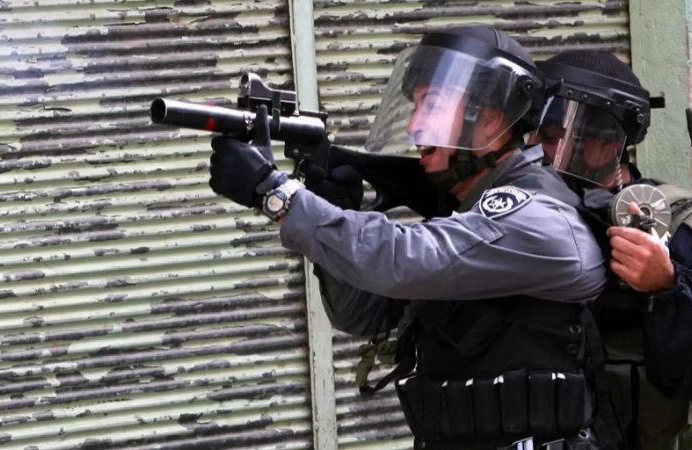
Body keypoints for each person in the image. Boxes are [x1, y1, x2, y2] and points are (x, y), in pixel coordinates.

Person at [209, 26, 622, 449]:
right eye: (416, 106)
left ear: (492, 117)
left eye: (433, 105)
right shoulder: (464, 208)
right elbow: (361, 315)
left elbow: (401, 258)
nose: (415, 124)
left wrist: (276, 194)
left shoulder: (538, 220)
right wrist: (338, 209)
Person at [532, 50, 692, 450]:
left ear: (608, 143)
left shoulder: (683, 230)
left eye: (554, 136)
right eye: (537, 132)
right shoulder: (528, 218)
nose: (539, 148)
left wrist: (666, 286)